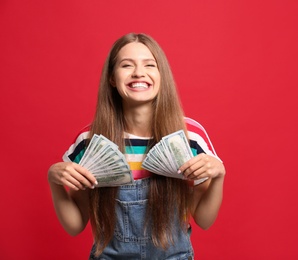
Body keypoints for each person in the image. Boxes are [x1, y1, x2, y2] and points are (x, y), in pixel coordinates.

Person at [48, 33, 225, 259]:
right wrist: (53, 180)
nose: (139, 73)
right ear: (112, 78)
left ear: (161, 76)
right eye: (126, 65)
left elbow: (204, 220)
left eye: (150, 65)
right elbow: (75, 225)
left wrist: (219, 174)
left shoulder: (190, 137)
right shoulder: (89, 141)